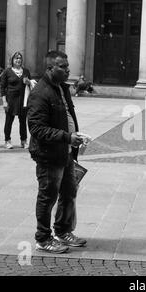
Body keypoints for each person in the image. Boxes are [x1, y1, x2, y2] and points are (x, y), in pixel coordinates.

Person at [27, 50, 87, 254]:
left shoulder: (62, 88)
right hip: (49, 154)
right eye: (62, 66)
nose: (67, 70)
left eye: (67, 66)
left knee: (69, 192)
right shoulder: (40, 93)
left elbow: (67, 115)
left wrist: (75, 137)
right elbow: (36, 128)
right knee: (48, 196)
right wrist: (66, 137)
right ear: (50, 68)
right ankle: (43, 238)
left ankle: (63, 231)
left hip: (66, 151)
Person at [0, 52, 32, 149]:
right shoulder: (7, 72)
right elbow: (2, 88)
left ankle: (24, 141)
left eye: (20, 58)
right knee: (9, 121)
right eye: (16, 58)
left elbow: (31, 84)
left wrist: (28, 82)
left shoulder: (26, 71)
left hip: (23, 100)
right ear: (12, 60)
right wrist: (4, 101)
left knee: (23, 121)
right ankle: (7, 140)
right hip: (11, 99)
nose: (18, 60)